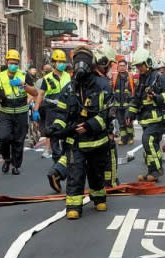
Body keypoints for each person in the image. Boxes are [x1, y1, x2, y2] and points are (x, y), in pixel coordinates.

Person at [47, 46, 113, 220]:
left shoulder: (103, 85)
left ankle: (98, 198)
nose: (80, 65)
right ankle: (74, 206)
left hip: (97, 140)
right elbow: (62, 113)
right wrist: (56, 127)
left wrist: (90, 125)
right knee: (75, 173)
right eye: (77, 61)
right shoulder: (69, 88)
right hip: (75, 140)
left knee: (95, 172)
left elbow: (107, 114)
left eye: (83, 60)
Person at [126, 49, 165, 182]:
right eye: (137, 66)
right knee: (151, 145)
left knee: (148, 142)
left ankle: (156, 170)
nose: (138, 68)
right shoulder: (142, 79)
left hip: (158, 119)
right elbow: (136, 98)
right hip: (146, 120)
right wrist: (130, 112)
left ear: (148, 63)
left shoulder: (159, 77)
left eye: (140, 65)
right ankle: (151, 172)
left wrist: (157, 97)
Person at [0, 49, 38, 175]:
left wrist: (23, 85)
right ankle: (7, 159)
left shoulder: (23, 75)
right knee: (4, 138)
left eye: (16, 63)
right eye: (11, 62)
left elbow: (35, 93)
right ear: (6, 62)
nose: (14, 65)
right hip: (5, 112)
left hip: (21, 113)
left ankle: (16, 165)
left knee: (18, 140)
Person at [37, 49, 72, 192]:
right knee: (53, 136)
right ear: (53, 63)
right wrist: (35, 110)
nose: (61, 64)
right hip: (52, 111)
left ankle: (61, 163)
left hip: (66, 111)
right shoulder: (47, 78)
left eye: (63, 62)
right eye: (59, 62)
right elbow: (40, 94)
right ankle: (58, 161)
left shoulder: (68, 77)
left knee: (67, 137)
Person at [93, 46, 120, 187]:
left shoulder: (83, 80)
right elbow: (108, 110)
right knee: (110, 153)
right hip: (100, 126)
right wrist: (110, 131)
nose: (110, 68)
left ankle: (58, 170)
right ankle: (110, 182)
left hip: (85, 127)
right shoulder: (104, 83)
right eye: (109, 64)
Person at [112, 60, 135, 146]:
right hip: (118, 105)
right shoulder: (114, 77)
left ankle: (130, 137)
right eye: (120, 65)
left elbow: (134, 90)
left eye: (123, 65)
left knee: (128, 122)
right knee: (121, 123)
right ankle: (123, 139)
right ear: (118, 67)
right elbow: (112, 90)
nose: (122, 67)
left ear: (126, 67)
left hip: (128, 104)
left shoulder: (130, 77)